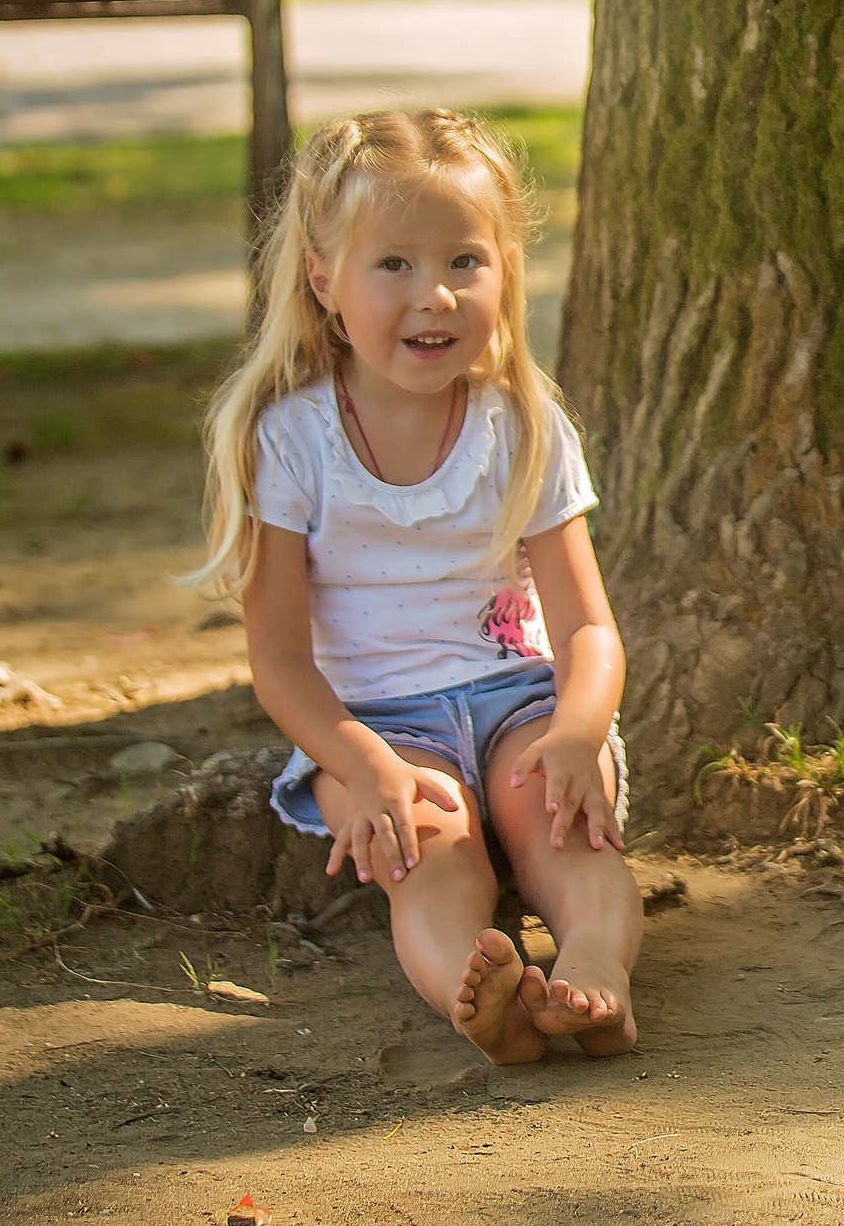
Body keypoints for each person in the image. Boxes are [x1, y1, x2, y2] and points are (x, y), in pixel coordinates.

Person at [185, 110, 639, 1063]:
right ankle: (480, 1000)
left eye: (464, 261)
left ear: (504, 270)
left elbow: (586, 628)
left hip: (522, 701)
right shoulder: (291, 441)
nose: (433, 294)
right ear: (323, 279)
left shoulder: (523, 424)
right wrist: (362, 765)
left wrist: (577, 729)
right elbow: (279, 659)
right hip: (377, 725)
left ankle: (599, 975)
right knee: (428, 858)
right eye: (393, 263)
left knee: (569, 836)